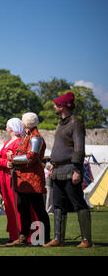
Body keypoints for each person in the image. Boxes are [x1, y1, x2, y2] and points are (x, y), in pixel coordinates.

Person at [44, 92, 92, 248]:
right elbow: (59, 147)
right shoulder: (61, 123)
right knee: (57, 204)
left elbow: (79, 148)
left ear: (63, 106)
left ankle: (86, 239)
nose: (54, 107)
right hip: (57, 170)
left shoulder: (76, 123)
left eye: (56, 105)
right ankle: (58, 239)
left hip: (71, 168)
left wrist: (77, 169)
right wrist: (52, 164)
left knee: (78, 203)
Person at [6, 112, 51, 246]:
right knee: (23, 209)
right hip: (22, 179)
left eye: (22, 120)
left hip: (33, 179)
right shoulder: (27, 136)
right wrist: (13, 159)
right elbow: (22, 153)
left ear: (26, 123)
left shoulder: (36, 138)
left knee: (39, 209)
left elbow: (31, 157)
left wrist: (12, 159)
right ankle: (23, 237)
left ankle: (44, 238)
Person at [0, 118, 25, 244]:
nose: (6, 128)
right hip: (4, 176)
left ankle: (19, 234)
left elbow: (10, 161)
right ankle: (14, 234)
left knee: (14, 205)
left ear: (11, 128)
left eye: (7, 126)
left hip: (10, 177)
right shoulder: (9, 141)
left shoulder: (17, 142)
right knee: (8, 205)